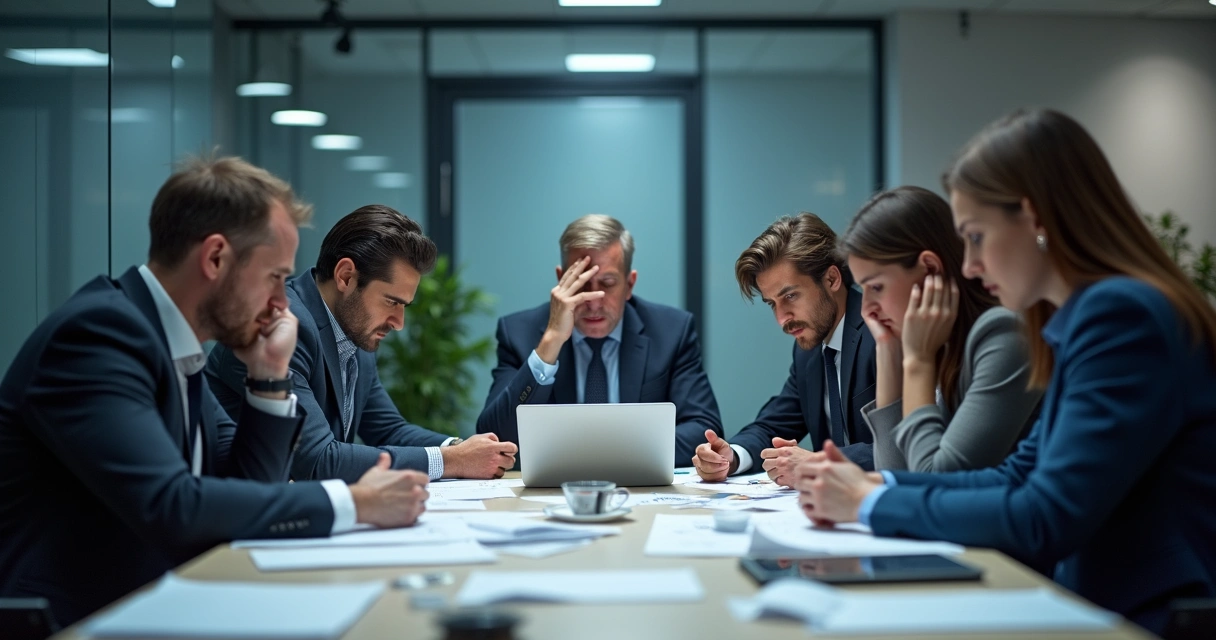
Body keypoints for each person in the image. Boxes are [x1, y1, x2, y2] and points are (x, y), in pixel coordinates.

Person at [795, 109, 1216, 635]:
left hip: (1148, 616)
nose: (967, 264)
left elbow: (1045, 515)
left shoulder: (1120, 316)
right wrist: (873, 484)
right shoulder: (1087, 317)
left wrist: (869, 500)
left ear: (1035, 219)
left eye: (974, 235)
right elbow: (1017, 475)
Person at [0, 158, 428, 626]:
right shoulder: (100, 335)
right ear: (215, 258)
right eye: (273, 278)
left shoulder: (171, 343)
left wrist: (268, 376)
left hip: (156, 606)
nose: (284, 303)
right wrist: (353, 503)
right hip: (77, 620)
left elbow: (248, 486)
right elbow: (173, 505)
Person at [208, 205, 516, 483]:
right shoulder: (282, 326)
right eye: (391, 302)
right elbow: (317, 460)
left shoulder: (353, 329)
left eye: (404, 306)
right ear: (345, 276)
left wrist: (461, 448)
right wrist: (450, 461)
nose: (399, 322)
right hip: (229, 527)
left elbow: (388, 429)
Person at [476, 214, 722, 464]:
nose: (593, 301)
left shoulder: (671, 331)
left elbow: (704, 429)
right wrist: (551, 342)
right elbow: (493, 439)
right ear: (562, 280)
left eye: (607, 283)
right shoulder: (519, 333)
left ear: (629, 284)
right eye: (582, 284)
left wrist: (607, 453)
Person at [837, 186, 1041, 472]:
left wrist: (917, 362)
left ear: (930, 270)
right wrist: (888, 351)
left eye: (876, 287)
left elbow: (934, 482)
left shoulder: (1003, 335)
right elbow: (895, 476)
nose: (866, 309)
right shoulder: (942, 342)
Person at [693, 213, 877, 486]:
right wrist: (730, 457)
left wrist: (817, 463)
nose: (782, 319)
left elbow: (904, 449)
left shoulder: (882, 332)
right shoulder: (809, 351)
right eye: (772, 303)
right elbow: (774, 424)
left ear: (832, 279)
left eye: (790, 296)